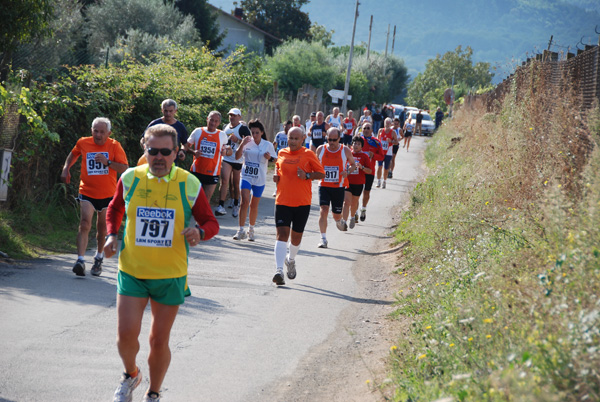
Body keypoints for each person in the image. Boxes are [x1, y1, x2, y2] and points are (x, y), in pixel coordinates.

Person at [104, 124, 219, 402]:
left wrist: (199, 232)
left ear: (176, 152)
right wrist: (111, 235)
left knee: (158, 340)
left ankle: (153, 393)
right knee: (125, 337)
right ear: (145, 150)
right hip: (132, 270)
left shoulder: (188, 183)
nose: (158, 157)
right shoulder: (131, 177)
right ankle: (131, 374)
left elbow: (210, 222)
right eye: (152, 150)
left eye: (165, 152)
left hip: (170, 275)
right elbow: (116, 207)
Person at [60, 117, 128, 277]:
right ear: (91, 131)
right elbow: (73, 154)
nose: (98, 135)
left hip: (108, 194)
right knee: (84, 223)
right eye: (95, 131)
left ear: (109, 133)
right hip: (87, 191)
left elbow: (125, 167)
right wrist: (66, 168)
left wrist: (108, 162)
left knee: (102, 228)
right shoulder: (83, 142)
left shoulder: (114, 145)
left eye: (102, 132)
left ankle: (98, 258)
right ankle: (80, 260)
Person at [272, 127, 325, 285]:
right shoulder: (282, 152)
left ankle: (291, 259)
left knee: (296, 238)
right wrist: (276, 175)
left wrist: (307, 175)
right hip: (282, 200)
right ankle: (279, 270)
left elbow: (321, 173)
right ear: (287, 138)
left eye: (296, 138)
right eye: (290, 138)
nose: (293, 141)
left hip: (302, 202)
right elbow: (278, 166)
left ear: (303, 139)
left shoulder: (308, 154)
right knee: (282, 234)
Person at [233, 119, 277, 241]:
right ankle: (240, 230)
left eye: (257, 132)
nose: (254, 135)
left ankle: (251, 229)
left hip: (260, 179)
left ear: (262, 132)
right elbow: (237, 157)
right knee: (244, 202)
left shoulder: (267, 144)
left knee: (253, 205)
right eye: (252, 132)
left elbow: (277, 160)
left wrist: (270, 158)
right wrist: (242, 144)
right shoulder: (247, 142)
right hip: (246, 176)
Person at [315, 127, 356, 247]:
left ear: (339, 138)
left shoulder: (346, 150)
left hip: (338, 186)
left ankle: (339, 220)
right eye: (329, 139)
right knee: (323, 209)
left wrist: (347, 171)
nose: (332, 142)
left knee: (336, 214)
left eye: (334, 140)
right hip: (324, 185)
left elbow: (353, 165)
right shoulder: (321, 149)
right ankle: (323, 239)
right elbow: (314, 164)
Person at [185, 111, 233, 204]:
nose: (213, 123)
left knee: (206, 200)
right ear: (207, 119)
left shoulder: (222, 135)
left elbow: (230, 151)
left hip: (212, 172)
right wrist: (193, 152)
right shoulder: (198, 131)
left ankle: (200, 218)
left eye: (216, 121)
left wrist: (226, 152)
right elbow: (186, 146)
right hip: (197, 171)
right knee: (192, 199)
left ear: (219, 123)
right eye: (211, 120)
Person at [215, 108, 251, 218]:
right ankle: (221, 205)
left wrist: (238, 141)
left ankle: (236, 204)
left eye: (235, 115)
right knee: (224, 181)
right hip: (226, 158)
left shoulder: (243, 128)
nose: (232, 117)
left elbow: (250, 143)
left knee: (235, 184)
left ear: (239, 117)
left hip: (238, 159)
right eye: (231, 115)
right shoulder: (225, 127)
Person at [341, 136, 373, 229]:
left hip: (358, 183)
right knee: (346, 202)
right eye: (355, 143)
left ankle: (352, 217)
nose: (356, 145)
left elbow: (370, 171)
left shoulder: (364, 156)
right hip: (348, 182)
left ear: (361, 146)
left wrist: (362, 167)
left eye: (358, 144)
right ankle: (344, 221)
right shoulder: (348, 154)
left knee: (354, 203)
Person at [144, 99, 187, 163]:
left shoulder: (180, 126)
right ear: (162, 110)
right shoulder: (154, 124)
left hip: (171, 163)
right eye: (165, 111)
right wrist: (147, 150)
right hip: (154, 161)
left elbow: (185, 143)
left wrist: (182, 151)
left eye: (170, 111)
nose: (168, 114)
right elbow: (143, 139)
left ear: (175, 111)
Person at [357, 122, 384, 222]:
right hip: (358, 171)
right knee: (356, 192)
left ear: (372, 131)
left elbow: (382, 156)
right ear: (362, 130)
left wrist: (373, 155)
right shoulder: (358, 141)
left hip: (370, 171)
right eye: (364, 128)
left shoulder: (376, 142)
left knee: (366, 192)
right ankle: (355, 211)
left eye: (368, 128)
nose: (366, 130)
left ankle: (363, 209)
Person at [375, 117, 398, 189]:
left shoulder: (393, 132)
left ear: (391, 124)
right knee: (379, 166)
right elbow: (377, 140)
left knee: (386, 169)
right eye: (386, 123)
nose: (387, 124)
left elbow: (396, 142)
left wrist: (391, 141)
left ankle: (384, 181)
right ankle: (378, 181)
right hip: (381, 152)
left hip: (388, 153)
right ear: (384, 123)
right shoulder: (380, 130)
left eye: (388, 123)